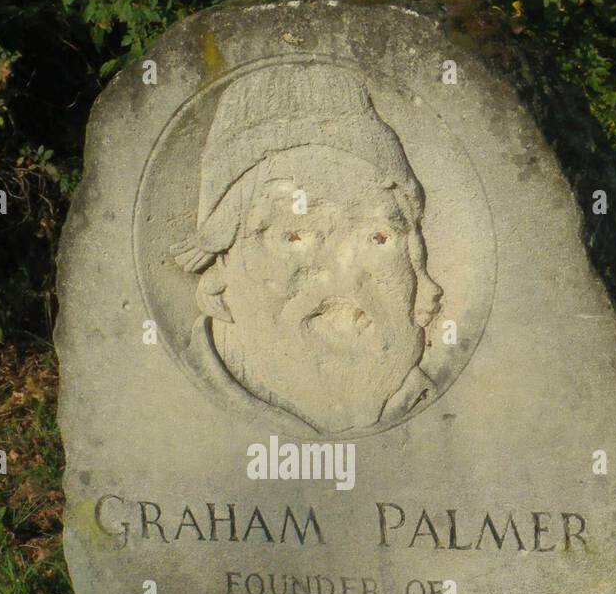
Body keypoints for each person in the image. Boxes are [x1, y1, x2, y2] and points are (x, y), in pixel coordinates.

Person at [171, 63, 442, 434]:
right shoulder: (169, 417)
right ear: (222, 262)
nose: (346, 276)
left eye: (378, 238)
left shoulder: (442, 409)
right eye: (296, 237)